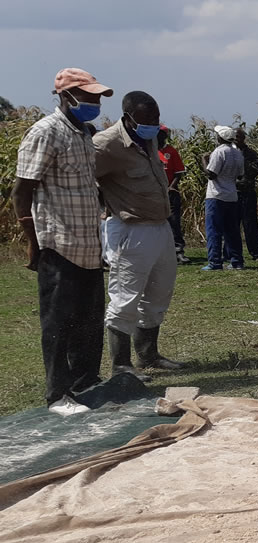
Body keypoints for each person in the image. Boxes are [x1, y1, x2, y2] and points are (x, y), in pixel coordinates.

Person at [12, 68, 113, 415]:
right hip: (58, 242)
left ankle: (86, 381)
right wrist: (32, 241)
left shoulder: (85, 133)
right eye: (89, 97)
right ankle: (58, 394)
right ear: (66, 97)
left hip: (88, 243)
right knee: (58, 322)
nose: (95, 103)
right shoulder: (45, 132)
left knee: (89, 319)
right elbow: (22, 190)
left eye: (98, 97)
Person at [93, 90, 184, 381]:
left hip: (160, 226)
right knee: (125, 297)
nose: (153, 124)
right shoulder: (107, 144)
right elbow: (84, 179)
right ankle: (121, 366)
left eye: (156, 119)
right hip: (130, 229)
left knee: (159, 292)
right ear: (128, 116)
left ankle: (148, 354)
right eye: (146, 120)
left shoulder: (151, 138)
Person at [202, 125, 245, 271]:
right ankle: (236, 261)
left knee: (214, 230)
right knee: (232, 231)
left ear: (220, 137)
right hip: (232, 196)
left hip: (216, 195)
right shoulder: (237, 153)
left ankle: (215, 262)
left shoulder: (219, 152)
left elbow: (211, 174)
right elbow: (240, 175)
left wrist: (204, 161)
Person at [157, 125, 190, 264]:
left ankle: (178, 251)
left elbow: (179, 172)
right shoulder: (148, 151)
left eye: (161, 134)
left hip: (170, 193)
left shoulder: (171, 151)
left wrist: (171, 187)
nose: (158, 137)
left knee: (174, 222)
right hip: (154, 193)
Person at [235, 127, 258, 260]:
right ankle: (232, 253)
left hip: (247, 192)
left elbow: (253, 172)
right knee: (232, 225)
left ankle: (256, 253)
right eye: (234, 137)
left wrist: (241, 160)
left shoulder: (251, 154)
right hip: (232, 193)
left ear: (243, 138)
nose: (236, 140)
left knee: (250, 224)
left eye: (238, 137)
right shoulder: (228, 152)